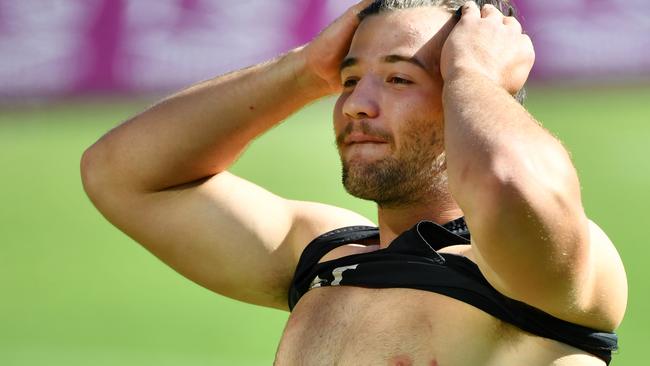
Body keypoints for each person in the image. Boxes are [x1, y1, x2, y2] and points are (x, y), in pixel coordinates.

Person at [81, 0, 628, 364]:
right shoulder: (325, 255)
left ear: (471, 98)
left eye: (398, 78)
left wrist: (476, 74)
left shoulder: (540, 268)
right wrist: (300, 70)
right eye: (348, 80)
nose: (356, 106)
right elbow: (120, 174)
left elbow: (508, 182)